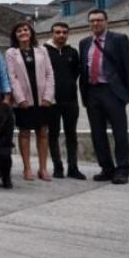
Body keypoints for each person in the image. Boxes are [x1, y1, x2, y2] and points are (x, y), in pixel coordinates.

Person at [79, 9, 129, 185]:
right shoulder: (84, 43)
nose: (95, 23)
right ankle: (106, 168)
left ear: (106, 21)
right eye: (92, 21)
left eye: (99, 20)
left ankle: (123, 170)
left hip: (112, 91)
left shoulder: (119, 39)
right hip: (92, 92)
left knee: (120, 133)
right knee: (97, 134)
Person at [6, 21, 55, 181]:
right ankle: (27, 169)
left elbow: (49, 73)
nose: (23, 33)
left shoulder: (42, 51)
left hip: (42, 99)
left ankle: (43, 168)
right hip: (24, 100)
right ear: (15, 35)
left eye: (25, 29)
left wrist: (48, 96)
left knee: (42, 132)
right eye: (19, 30)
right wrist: (20, 98)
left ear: (31, 32)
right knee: (25, 133)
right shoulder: (11, 53)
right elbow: (12, 77)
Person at [45, 22, 85, 180]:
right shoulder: (44, 51)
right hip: (52, 101)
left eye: (64, 32)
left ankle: (73, 167)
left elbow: (75, 73)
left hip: (70, 100)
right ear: (52, 34)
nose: (61, 35)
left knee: (71, 135)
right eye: (58, 32)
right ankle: (58, 167)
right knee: (53, 134)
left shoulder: (73, 52)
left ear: (68, 34)